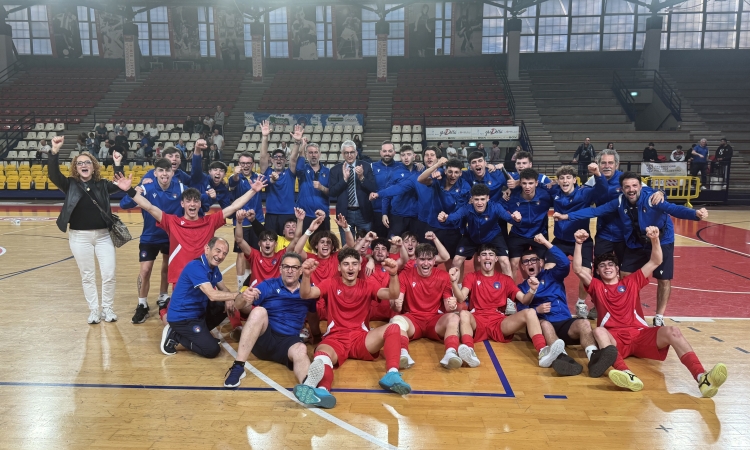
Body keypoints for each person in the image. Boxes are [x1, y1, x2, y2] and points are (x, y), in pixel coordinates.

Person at [573, 228, 728, 396]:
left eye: (610, 264)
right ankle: (626, 374)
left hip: (640, 335)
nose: (607, 267)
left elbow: (656, 260)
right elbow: (578, 269)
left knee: (673, 331)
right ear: (597, 271)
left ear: (617, 269)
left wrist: (655, 239)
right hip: (615, 339)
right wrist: (578, 243)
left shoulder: (632, 281)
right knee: (598, 331)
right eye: (602, 266)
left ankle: (702, 378)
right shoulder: (596, 286)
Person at [557, 171, 708, 326]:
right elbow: (595, 211)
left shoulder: (652, 199)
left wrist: (695, 214)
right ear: (622, 189)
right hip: (637, 242)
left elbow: (674, 209)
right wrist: (567, 216)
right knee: (625, 273)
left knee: (664, 279)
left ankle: (659, 316)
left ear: (640, 187)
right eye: (627, 187)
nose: (631, 189)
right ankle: (629, 307)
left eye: (634, 186)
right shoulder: (619, 201)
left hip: (661, 241)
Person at [113, 171, 268, 322]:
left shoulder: (210, 222)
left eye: (195, 201)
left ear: (200, 204)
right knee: (175, 319)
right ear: (182, 204)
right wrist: (129, 190)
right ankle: (166, 311)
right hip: (182, 282)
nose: (192, 204)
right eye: (188, 201)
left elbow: (233, 207)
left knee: (232, 304)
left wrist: (253, 191)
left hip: (205, 281)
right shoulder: (172, 222)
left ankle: (240, 325)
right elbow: (149, 207)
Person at [294, 249, 406, 408]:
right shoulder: (330, 283)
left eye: (354, 264)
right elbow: (306, 294)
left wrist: (393, 275)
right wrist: (306, 275)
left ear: (360, 266)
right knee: (322, 355)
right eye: (346, 264)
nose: (351, 268)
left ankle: (392, 374)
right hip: (335, 338)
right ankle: (323, 391)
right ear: (339, 267)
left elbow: (393, 294)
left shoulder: (368, 284)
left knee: (394, 327)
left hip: (361, 339)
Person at [449, 245, 566, 370]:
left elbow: (524, 300)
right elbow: (461, 298)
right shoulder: (471, 277)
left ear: (496, 259)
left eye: (491, 254)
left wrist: (532, 290)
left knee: (530, 312)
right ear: (478, 259)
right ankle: (469, 351)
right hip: (477, 320)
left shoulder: (506, 280)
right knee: (464, 314)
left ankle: (542, 352)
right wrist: (454, 283)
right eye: (484, 254)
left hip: (499, 322)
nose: (487, 257)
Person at [47, 135, 123, 324]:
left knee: (109, 274)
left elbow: (120, 183)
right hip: (79, 237)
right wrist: (54, 151)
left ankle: (107, 308)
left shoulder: (103, 185)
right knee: (87, 275)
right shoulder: (70, 184)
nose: (83, 165)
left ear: (93, 166)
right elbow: (53, 174)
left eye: (87, 162)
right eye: (79, 163)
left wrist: (117, 164)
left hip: (104, 236)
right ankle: (94, 310)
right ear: (76, 167)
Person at [517, 235, 617, 377]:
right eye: (526, 262)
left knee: (584, 323)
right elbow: (522, 313)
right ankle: (561, 357)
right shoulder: (521, 288)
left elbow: (564, 262)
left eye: (533, 260)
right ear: (522, 267)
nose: (530, 264)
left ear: (541, 263)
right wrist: (536, 310)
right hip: (541, 325)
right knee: (545, 324)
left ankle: (594, 356)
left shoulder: (553, 275)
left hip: (564, 322)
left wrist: (546, 242)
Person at [223, 252, 318, 388]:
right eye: (286, 267)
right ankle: (238, 366)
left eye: (294, 267)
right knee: (259, 311)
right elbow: (238, 306)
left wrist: (317, 336)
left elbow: (313, 316)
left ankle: (307, 387)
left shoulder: (307, 291)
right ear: (280, 269)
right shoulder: (269, 285)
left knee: (301, 349)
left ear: (300, 271)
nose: (290, 270)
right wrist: (243, 297)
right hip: (265, 339)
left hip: (288, 343)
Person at [120, 158, 190, 324]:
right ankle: (142, 304)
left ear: (172, 172)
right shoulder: (146, 187)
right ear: (155, 173)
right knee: (145, 270)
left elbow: (198, 202)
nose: (164, 174)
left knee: (167, 268)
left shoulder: (181, 188)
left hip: (171, 236)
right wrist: (134, 191)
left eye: (167, 170)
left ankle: (163, 297)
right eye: (161, 170)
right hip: (150, 236)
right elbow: (124, 204)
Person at [160, 237, 243, 358]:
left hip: (198, 314)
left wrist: (229, 298)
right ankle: (174, 334)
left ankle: (201, 335)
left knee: (225, 304)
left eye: (224, 253)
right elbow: (212, 295)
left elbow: (224, 289)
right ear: (207, 249)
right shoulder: (195, 267)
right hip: (182, 318)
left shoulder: (214, 268)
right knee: (212, 350)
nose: (220, 256)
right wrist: (237, 295)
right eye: (218, 251)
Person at [389, 243, 463, 370]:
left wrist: (452, 304)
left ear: (434, 260)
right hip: (413, 320)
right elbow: (398, 307)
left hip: (434, 320)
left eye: (429, 259)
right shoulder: (405, 275)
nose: (426, 263)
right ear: (416, 260)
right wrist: (396, 304)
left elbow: (448, 307)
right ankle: (403, 353)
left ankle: (450, 353)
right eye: (422, 259)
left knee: (454, 317)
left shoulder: (443, 276)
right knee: (396, 321)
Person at [548, 164, 606, 318]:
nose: (565, 181)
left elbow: (602, 189)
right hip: (560, 240)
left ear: (575, 180)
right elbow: (538, 184)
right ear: (558, 181)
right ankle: (552, 300)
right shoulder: (555, 191)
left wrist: (598, 174)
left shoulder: (584, 193)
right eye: (562, 178)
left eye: (568, 178)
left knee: (585, 273)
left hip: (582, 240)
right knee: (548, 269)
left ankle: (581, 303)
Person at [438, 183, 516, 278]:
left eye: (482, 199)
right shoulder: (467, 208)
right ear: (472, 199)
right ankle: (456, 287)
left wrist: (516, 219)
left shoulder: (496, 207)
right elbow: (454, 216)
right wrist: (444, 219)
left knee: (505, 261)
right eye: (476, 199)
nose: (479, 203)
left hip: (493, 236)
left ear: (488, 198)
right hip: (472, 236)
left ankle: (510, 287)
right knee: (456, 260)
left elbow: (509, 219)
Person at [501, 168, 553, 282]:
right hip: (518, 233)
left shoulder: (545, 195)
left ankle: (539, 289)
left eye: (530, 183)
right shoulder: (512, 196)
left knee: (541, 263)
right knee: (513, 263)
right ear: (520, 183)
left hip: (539, 233)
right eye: (524, 183)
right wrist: (511, 218)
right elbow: (500, 209)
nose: (527, 187)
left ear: (536, 183)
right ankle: (513, 292)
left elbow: (557, 187)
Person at [417, 156, 470, 263]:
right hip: (434, 225)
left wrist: (448, 218)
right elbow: (420, 179)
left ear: (461, 173)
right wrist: (437, 165)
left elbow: (462, 210)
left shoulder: (465, 187)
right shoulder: (438, 179)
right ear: (445, 171)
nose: (453, 175)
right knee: (428, 258)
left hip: (452, 227)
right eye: (450, 172)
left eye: (456, 172)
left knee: (452, 260)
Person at [329, 139, 378, 242]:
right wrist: (344, 180)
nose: (349, 155)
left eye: (352, 152)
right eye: (346, 153)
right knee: (347, 246)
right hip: (345, 214)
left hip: (363, 213)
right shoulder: (335, 170)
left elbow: (373, 188)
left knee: (365, 245)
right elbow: (332, 192)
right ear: (342, 154)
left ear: (356, 153)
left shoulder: (366, 166)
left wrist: (361, 177)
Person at [259, 121, 302, 235]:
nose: (278, 159)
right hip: (271, 214)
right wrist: (265, 137)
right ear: (271, 160)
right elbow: (263, 157)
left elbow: (293, 158)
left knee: (288, 243)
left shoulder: (290, 173)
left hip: (288, 214)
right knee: (270, 242)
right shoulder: (267, 171)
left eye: (281, 157)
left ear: (285, 161)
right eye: (276, 157)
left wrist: (297, 142)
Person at [228, 152, 264, 288]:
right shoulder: (235, 177)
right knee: (241, 253)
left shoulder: (258, 177)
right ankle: (239, 285)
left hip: (257, 220)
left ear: (253, 164)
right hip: (241, 221)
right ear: (239, 164)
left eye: (248, 163)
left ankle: (249, 282)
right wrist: (235, 175)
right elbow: (233, 182)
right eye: (243, 163)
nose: (245, 166)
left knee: (253, 253)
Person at [370, 140, 404, 239]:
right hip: (377, 210)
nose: (387, 153)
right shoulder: (372, 167)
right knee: (378, 241)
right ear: (380, 152)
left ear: (394, 152)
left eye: (390, 151)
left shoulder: (401, 166)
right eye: (384, 151)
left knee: (394, 241)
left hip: (395, 211)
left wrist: (418, 165)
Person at [296, 141, 331, 231]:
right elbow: (298, 169)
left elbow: (331, 192)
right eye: (310, 153)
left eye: (315, 152)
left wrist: (322, 188)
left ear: (320, 154)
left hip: (322, 215)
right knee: (304, 240)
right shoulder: (303, 170)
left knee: (324, 239)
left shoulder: (327, 171)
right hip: (304, 215)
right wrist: (303, 146)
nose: (313, 155)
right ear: (306, 155)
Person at [191, 139, 232, 210]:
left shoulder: (223, 190)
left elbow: (227, 209)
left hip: (200, 214)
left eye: (221, 171)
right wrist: (197, 148)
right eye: (215, 170)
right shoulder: (201, 178)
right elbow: (196, 167)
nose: (218, 173)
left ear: (225, 174)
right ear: (209, 172)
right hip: (185, 211)